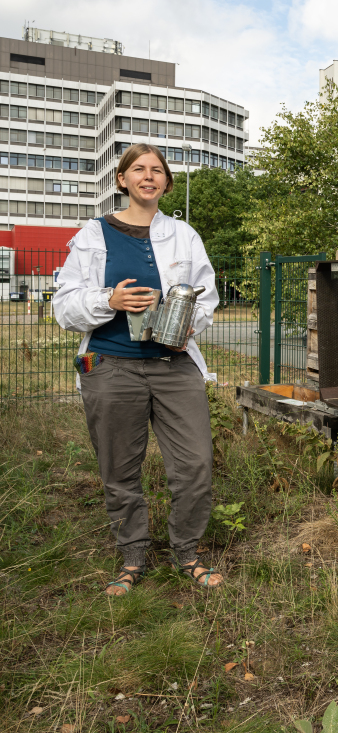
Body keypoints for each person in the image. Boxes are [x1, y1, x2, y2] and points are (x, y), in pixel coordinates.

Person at [54, 143, 223, 595]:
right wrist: (107, 300)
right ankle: (132, 558)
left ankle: (186, 551)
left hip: (174, 365)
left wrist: (187, 322)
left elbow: (206, 295)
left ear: (167, 182)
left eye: (157, 170)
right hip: (110, 368)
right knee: (119, 469)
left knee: (195, 464)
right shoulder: (92, 235)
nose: (148, 176)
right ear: (122, 180)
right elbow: (64, 305)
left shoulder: (184, 234)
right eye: (138, 169)